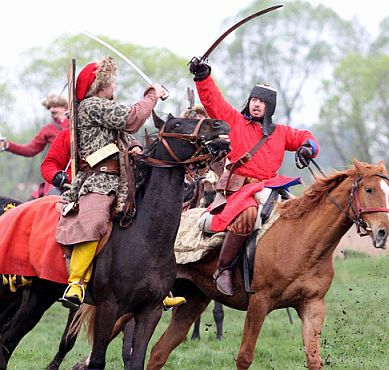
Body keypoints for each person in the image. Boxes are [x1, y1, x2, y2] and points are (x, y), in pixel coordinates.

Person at [56, 56, 185, 309]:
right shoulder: (93, 105)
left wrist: (135, 147)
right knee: (93, 221)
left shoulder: (104, 106)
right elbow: (131, 119)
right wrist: (152, 94)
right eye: (112, 82)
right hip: (98, 180)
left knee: (152, 224)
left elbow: (125, 134)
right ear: (101, 84)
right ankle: (76, 283)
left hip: (125, 179)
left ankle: (162, 285)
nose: (114, 87)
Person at [188, 57, 320, 296]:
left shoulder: (280, 132)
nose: (257, 105)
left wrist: (308, 147)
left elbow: (305, 136)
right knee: (248, 213)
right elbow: (213, 102)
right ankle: (224, 268)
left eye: (262, 102)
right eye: (254, 100)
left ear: (270, 107)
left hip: (271, 189)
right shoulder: (235, 122)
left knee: (298, 214)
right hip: (239, 191)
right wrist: (203, 76)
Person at [0, 94, 70, 198]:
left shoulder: (76, 124)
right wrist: (7, 145)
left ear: (65, 108)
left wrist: (66, 120)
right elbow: (30, 150)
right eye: (49, 107)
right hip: (56, 174)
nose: (52, 109)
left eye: (55, 106)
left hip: (77, 171)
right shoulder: (48, 129)